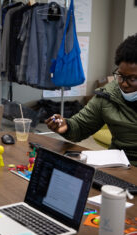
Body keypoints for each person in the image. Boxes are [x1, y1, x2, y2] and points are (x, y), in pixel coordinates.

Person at [45, 34, 137, 166]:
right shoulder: (108, 96)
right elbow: (81, 126)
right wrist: (66, 126)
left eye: (132, 79)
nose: (124, 84)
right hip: (119, 164)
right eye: (121, 76)